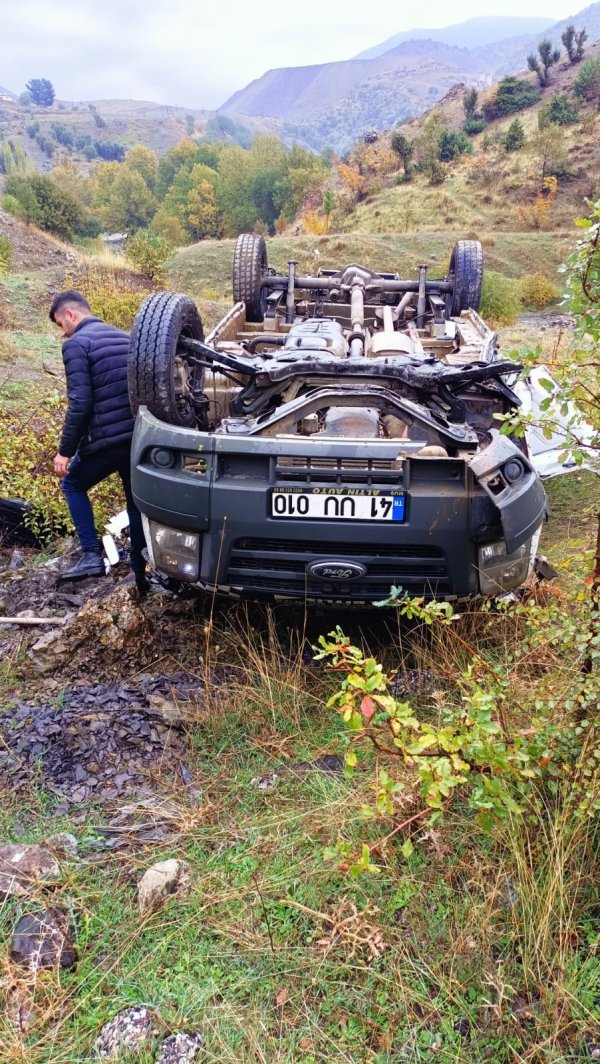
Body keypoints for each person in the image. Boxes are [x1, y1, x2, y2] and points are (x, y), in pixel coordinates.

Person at [49, 290, 148, 593]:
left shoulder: (77, 344)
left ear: (70, 315)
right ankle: (140, 574)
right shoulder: (125, 338)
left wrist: (65, 452)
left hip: (108, 440)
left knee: (73, 484)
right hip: (138, 438)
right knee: (135, 502)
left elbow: (80, 401)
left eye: (59, 325)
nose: (61, 333)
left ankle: (91, 555)